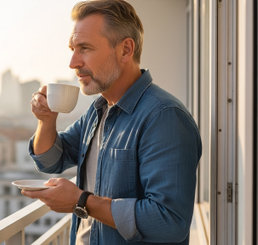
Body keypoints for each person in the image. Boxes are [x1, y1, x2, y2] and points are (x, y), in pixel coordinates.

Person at [23, 0, 202, 244]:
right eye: (72, 49)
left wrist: (81, 201)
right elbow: (51, 160)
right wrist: (46, 120)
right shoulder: (98, 111)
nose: (73, 62)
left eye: (84, 48)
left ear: (126, 50)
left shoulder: (164, 117)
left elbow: (169, 222)